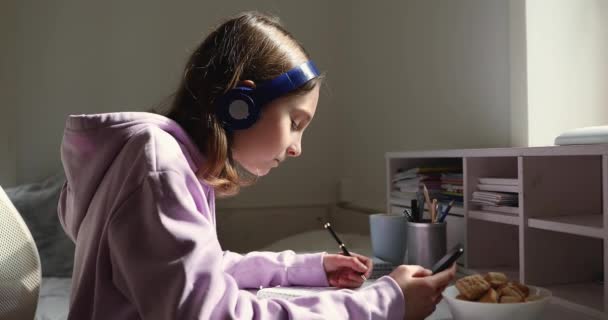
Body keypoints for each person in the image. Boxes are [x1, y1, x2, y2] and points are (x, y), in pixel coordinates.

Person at [58, 11, 455, 320]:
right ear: (241, 106)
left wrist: (307, 268)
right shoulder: (158, 166)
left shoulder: (163, 161)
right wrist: (386, 303)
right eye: (295, 123)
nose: (297, 148)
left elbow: (202, 267)